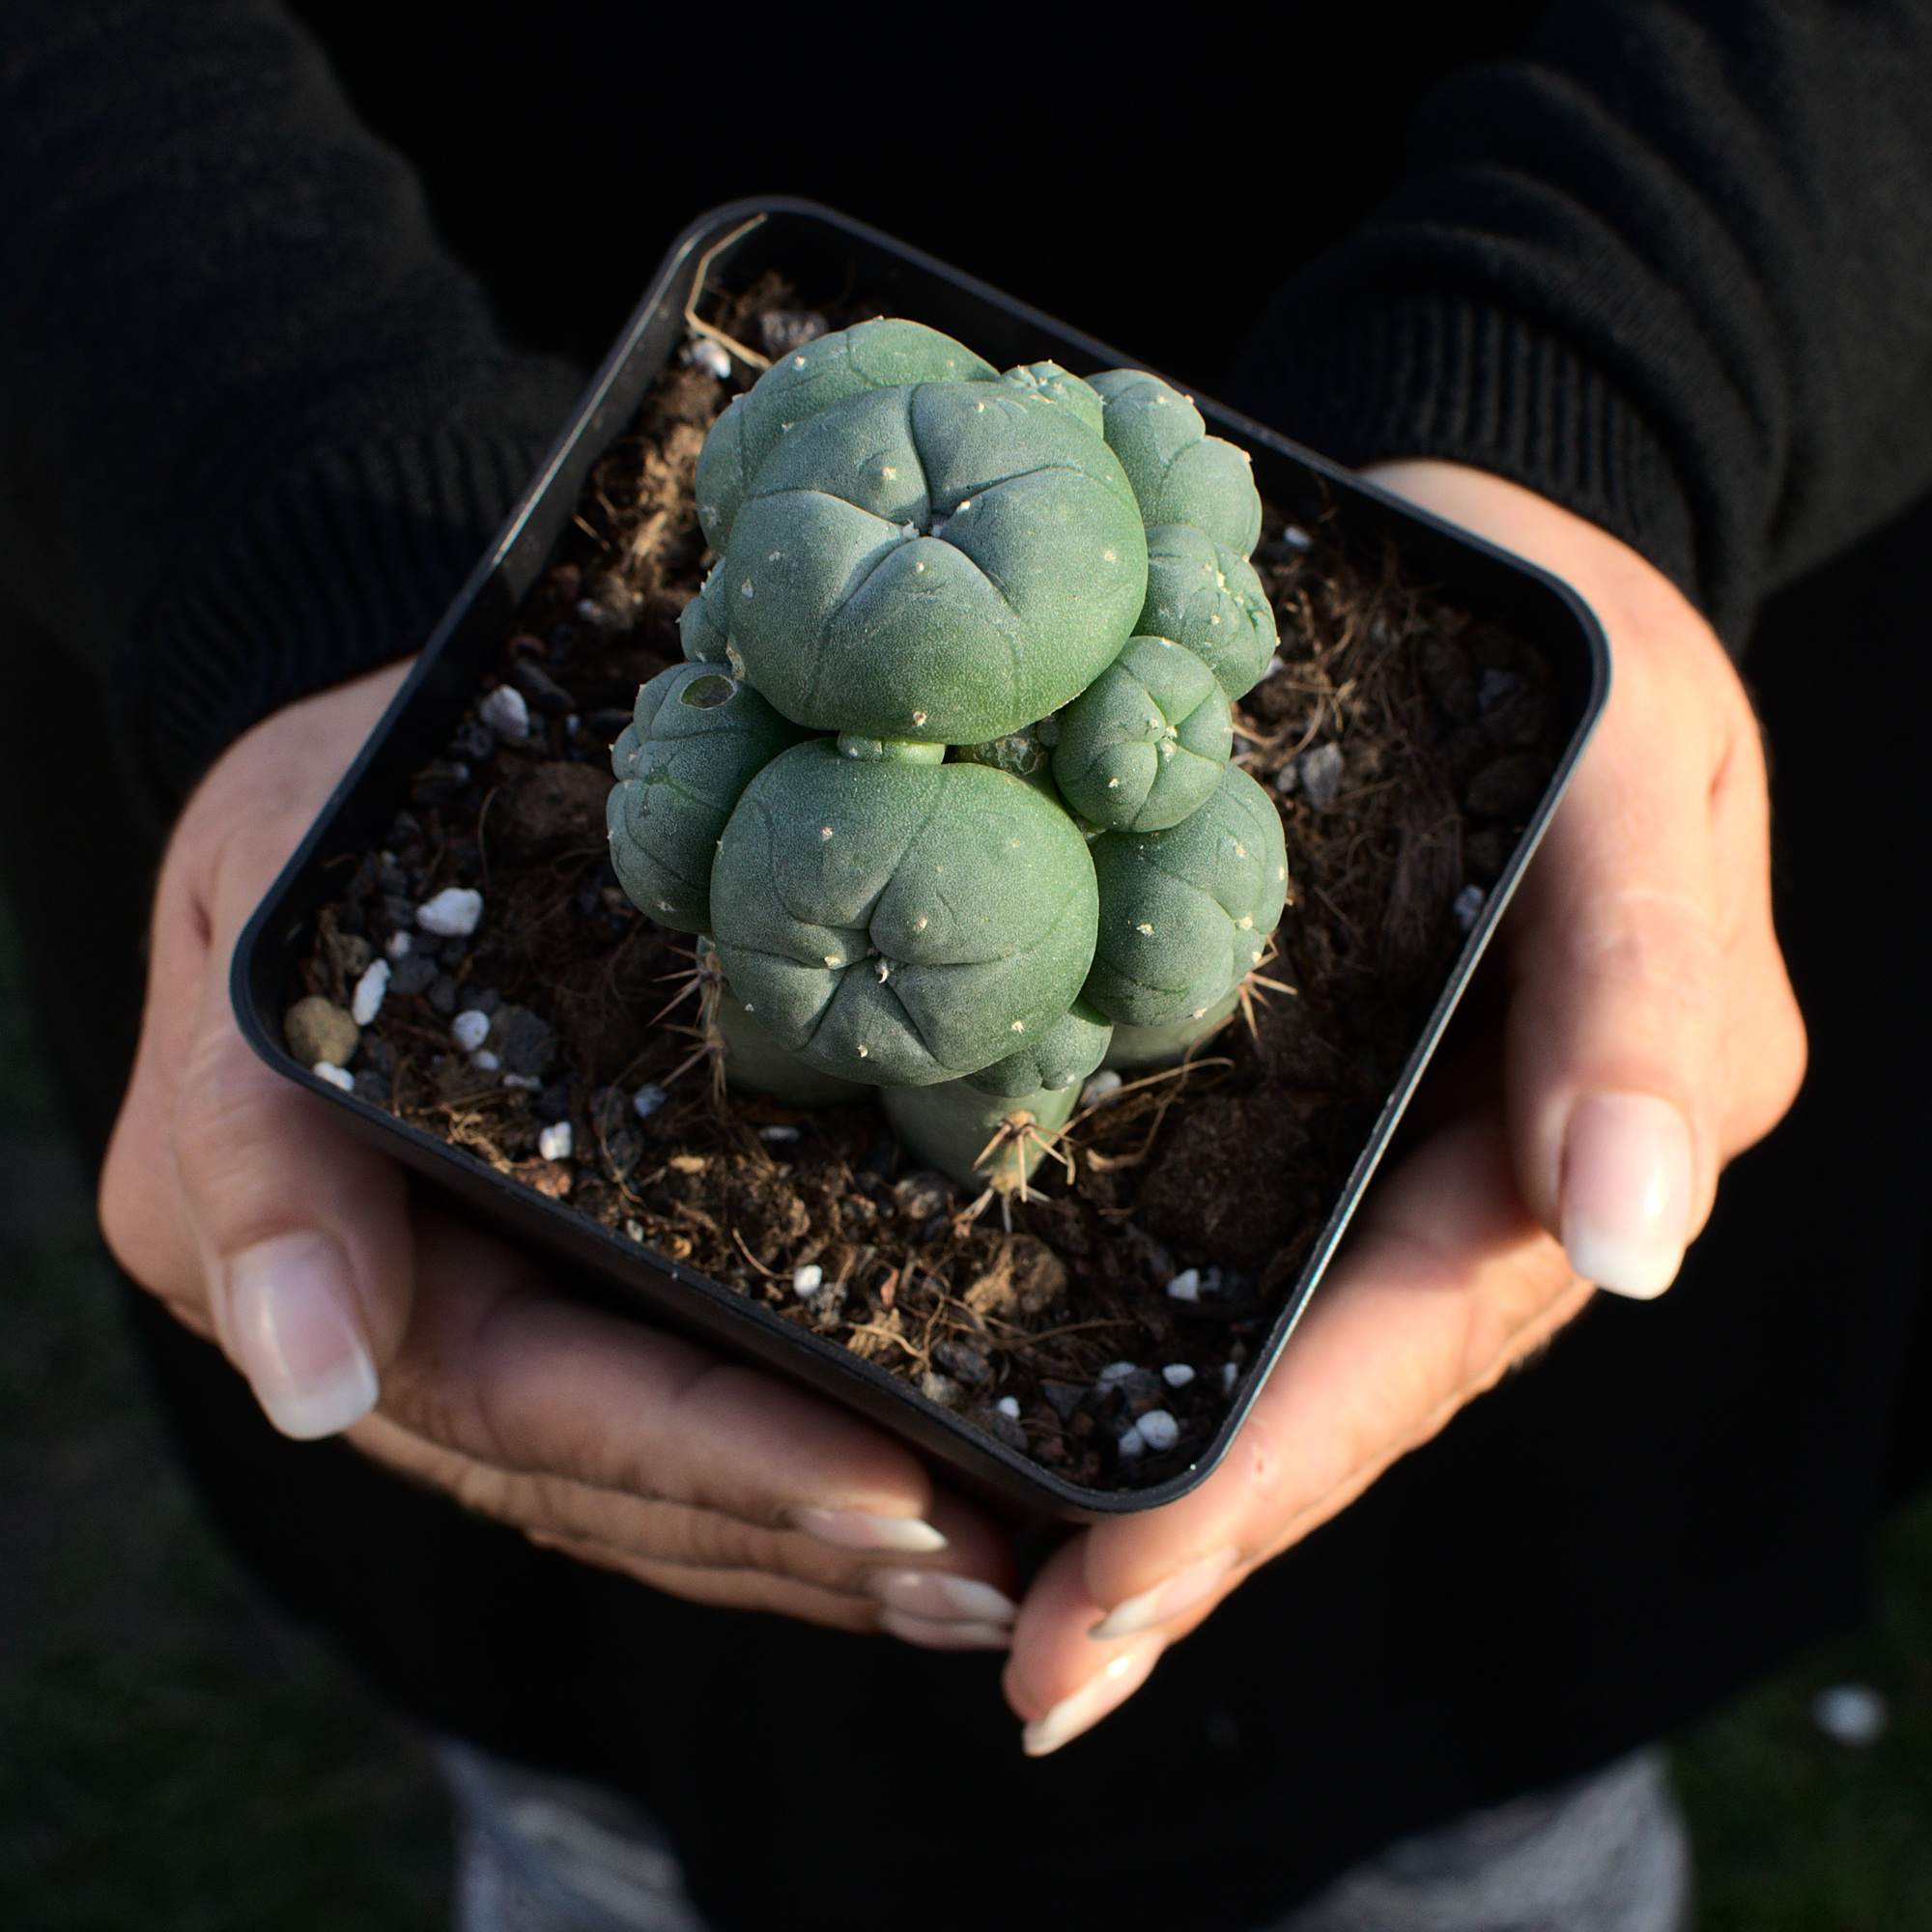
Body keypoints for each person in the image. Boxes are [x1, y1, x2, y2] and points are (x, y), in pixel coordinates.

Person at [3, 1, 1929, 1925]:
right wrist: (255, 460)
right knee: (596, 1833)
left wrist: (1621, 359)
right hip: (316, 388)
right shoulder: (741, 716)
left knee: (1489, 1822)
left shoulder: (1113, 769)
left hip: (1479, 1572)